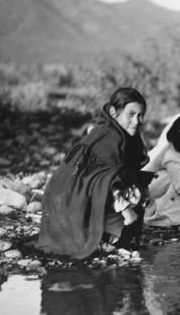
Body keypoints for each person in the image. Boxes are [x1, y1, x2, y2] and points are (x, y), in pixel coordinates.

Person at [37, 87, 150, 259]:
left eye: (140, 115)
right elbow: (104, 179)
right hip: (69, 199)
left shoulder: (123, 135)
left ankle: (107, 233)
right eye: (131, 114)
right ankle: (99, 233)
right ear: (113, 112)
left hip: (83, 194)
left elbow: (122, 173)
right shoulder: (109, 136)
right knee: (131, 209)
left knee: (136, 200)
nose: (137, 121)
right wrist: (126, 210)